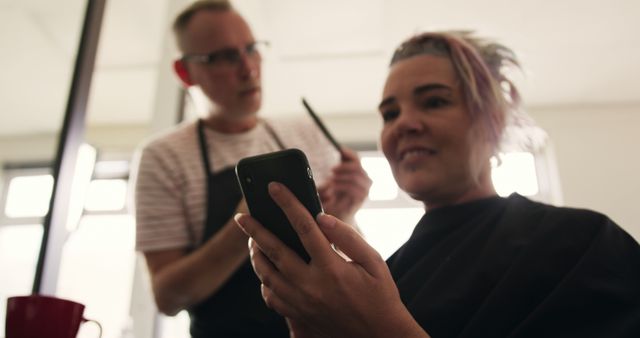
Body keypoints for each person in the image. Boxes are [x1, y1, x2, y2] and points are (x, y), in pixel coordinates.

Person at [235, 31, 640, 338]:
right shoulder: (387, 277)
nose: (404, 124)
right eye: (390, 113)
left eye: (434, 101)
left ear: (492, 120)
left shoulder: (581, 242)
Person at [132, 1, 371, 337]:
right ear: (185, 72)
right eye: (224, 57)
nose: (248, 68)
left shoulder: (306, 135)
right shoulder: (164, 157)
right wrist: (245, 224)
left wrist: (344, 215)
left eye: (251, 49)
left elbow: (347, 265)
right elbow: (168, 297)